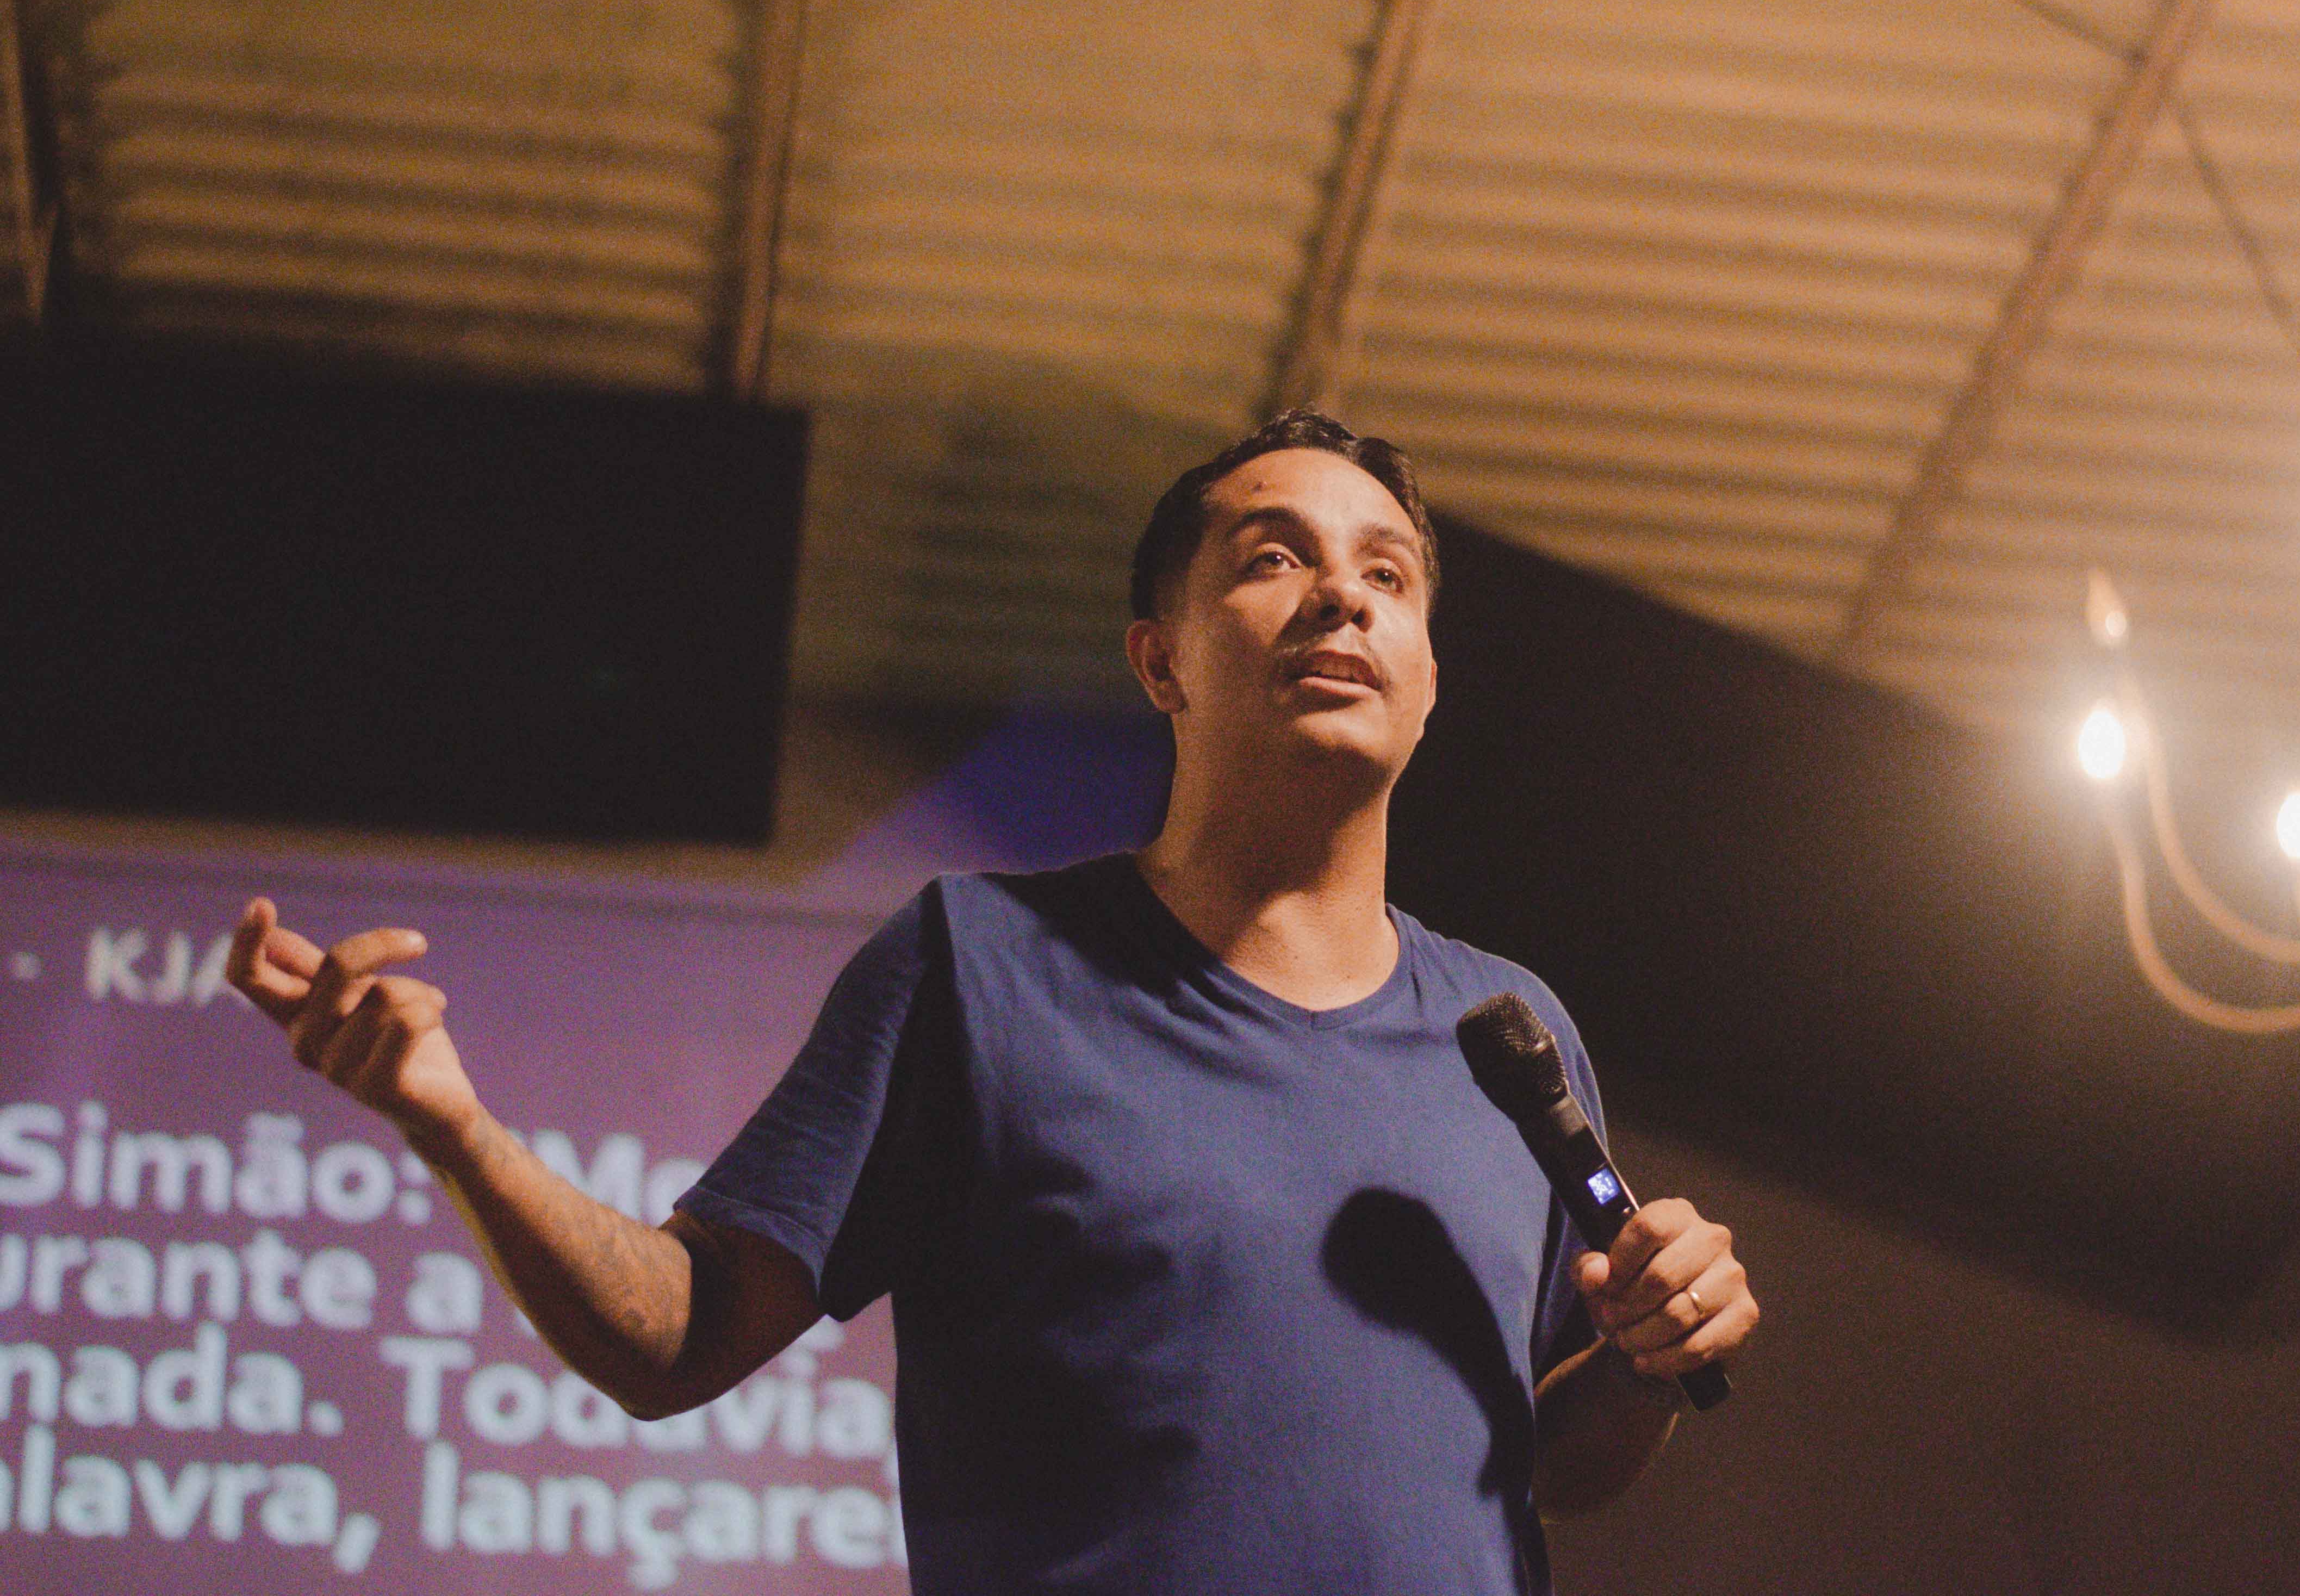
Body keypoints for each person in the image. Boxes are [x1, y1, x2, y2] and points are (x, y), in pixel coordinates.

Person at [226, 410, 1760, 1593]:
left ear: (1426, 680)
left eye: (1387, 575)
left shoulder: (1513, 1032)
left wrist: (1645, 1357)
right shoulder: (980, 968)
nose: (1341, 603)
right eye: (1274, 560)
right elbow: (677, 1335)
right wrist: (450, 1123)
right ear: (1160, 663)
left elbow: (1548, 1463)